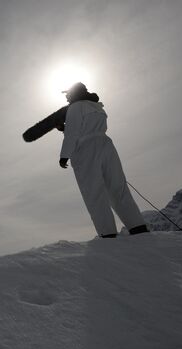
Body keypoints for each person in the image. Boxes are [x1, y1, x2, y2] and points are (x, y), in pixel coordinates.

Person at [59, 82, 149, 238]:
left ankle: (107, 233)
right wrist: (65, 127)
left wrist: (64, 155)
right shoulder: (97, 107)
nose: (67, 97)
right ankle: (137, 227)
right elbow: (87, 126)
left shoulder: (75, 107)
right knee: (118, 188)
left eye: (68, 94)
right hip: (106, 145)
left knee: (94, 191)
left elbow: (73, 133)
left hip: (86, 150)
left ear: (73, 94)